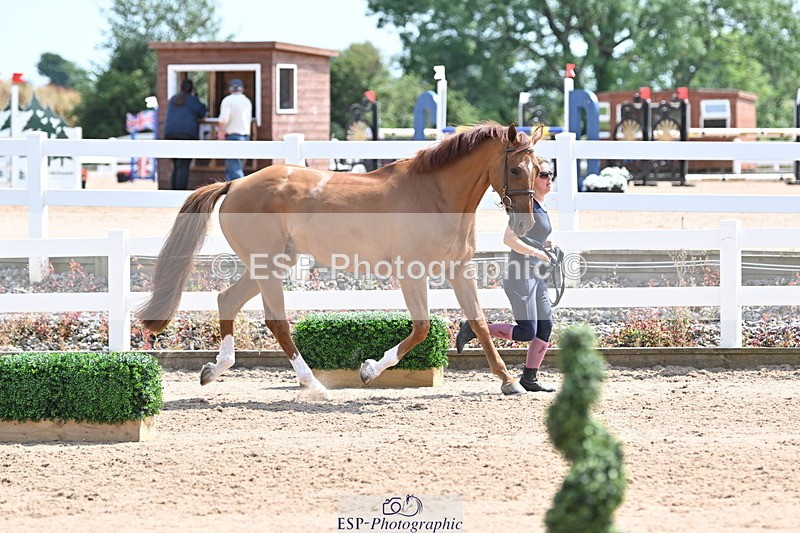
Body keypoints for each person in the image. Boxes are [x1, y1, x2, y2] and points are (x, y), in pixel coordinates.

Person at [456, 156, 557, 392]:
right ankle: (473, 328)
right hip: (520, 274)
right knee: (526, 331)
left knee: (545, 326)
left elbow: (532, 236)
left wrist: (547, 246)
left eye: (551, 174)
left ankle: (529, 379)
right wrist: (538, 253)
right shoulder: (526, 207)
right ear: (533, 179)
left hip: (535, 275)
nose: (549, 179)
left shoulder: (541, 205)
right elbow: (509, 239)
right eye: (543, 175)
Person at [163, 78, 207, 190]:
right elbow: (202, 112)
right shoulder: (192, 100)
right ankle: (180, 191)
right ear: (191, 88)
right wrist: (196, 97)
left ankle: (174, 190)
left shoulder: (173, 99)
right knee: (183, 165)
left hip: (170, 135)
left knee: (176, 165)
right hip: (186, 135)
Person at [217, 78, 253, 181]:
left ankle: (241, 192)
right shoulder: (247, 101)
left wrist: (220, 131)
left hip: (232, 136)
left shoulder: (228, 100)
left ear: (230, 89)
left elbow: (223, 119)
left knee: (234, 169)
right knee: (235, 166)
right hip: (245, 136)